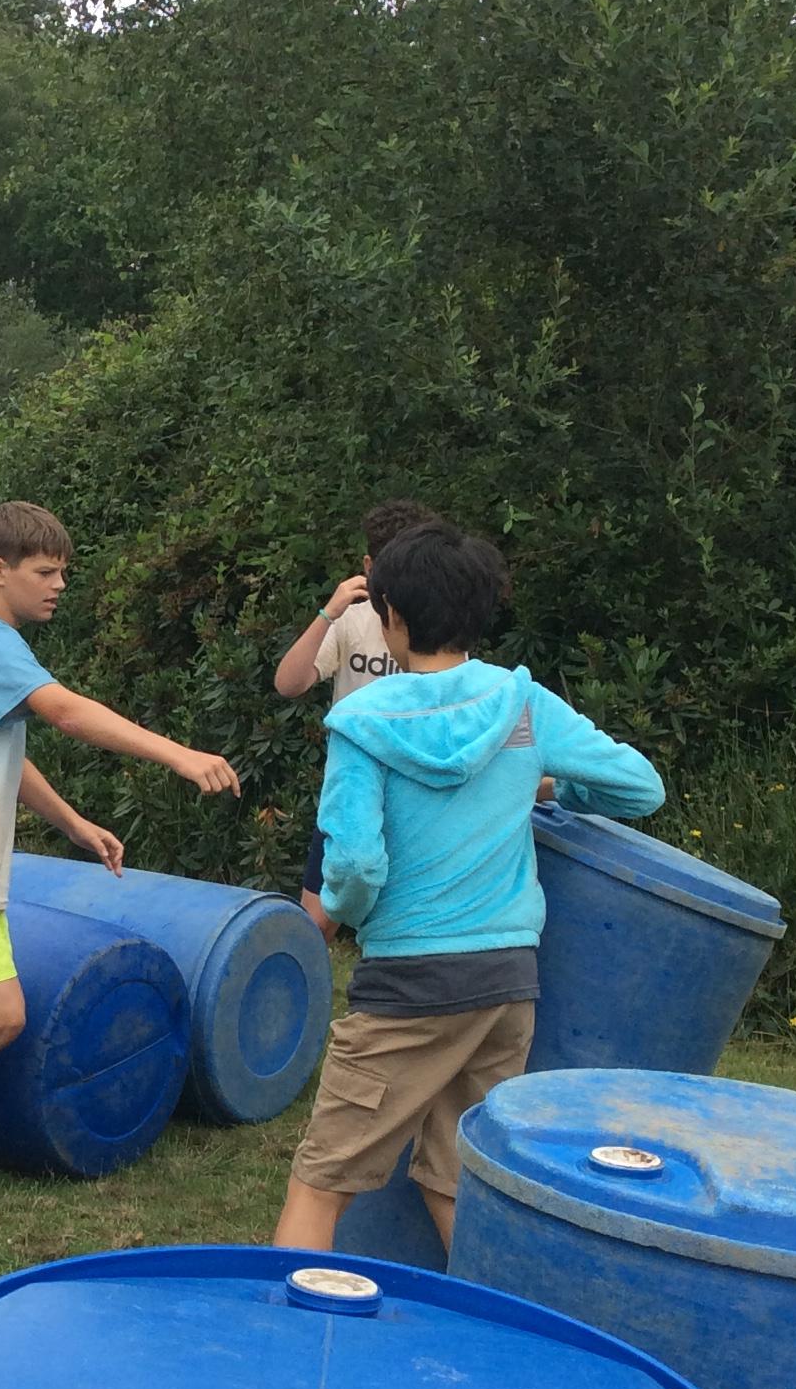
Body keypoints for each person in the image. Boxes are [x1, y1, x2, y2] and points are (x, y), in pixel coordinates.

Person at [0, 499, 242, 1219]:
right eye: (46, 572)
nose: (60, 585)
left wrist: (75, 824)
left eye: (62, 572)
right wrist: (179, 755)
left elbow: (6, 754)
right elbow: (66, 712)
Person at [273, 520, 664, 1256]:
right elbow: (639, 788)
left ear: (391, 614)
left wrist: (352, 917)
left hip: (407, 983)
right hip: (505, 981)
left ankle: (289, 1329)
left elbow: (354, 866)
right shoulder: (522, 705)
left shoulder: (360, 722)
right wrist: (544, 783)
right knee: (456, 1179)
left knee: (320, 1183)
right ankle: (492, 1324)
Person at [273, 500, 438, 938]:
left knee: (403, 924)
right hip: (352, 793)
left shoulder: (438, 622)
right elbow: (288, 684)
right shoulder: (352, 621)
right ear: (369, 567)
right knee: (313, 926)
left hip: (415, 796)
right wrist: (329, 612)